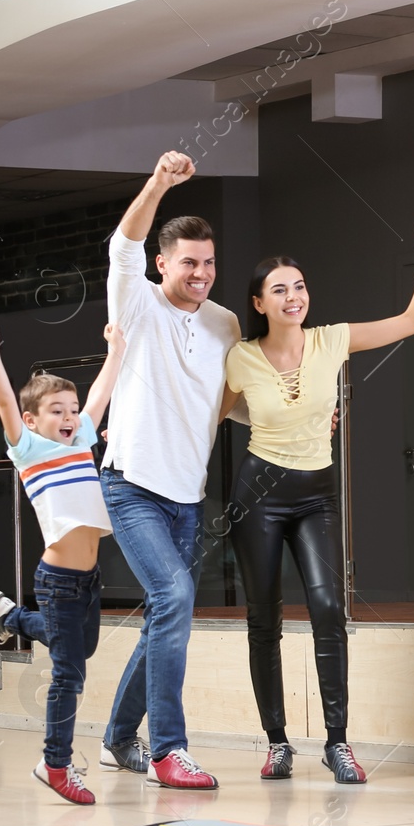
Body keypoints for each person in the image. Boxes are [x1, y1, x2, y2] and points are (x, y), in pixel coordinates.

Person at [221, 221, 414, 784]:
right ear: (259, 303)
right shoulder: (241, 358)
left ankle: (337, 742)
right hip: (259, 492)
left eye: (298, 286)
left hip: (316, 492)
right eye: (279, 289)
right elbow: (219, 414)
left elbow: (413, 321)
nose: (293, 296)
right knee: (263, 618)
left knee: (327, 609)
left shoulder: (331, 339)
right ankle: (276, 743)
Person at [99, 151, 242, 790]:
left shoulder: (224, 324)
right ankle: (169, 750)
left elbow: (230, 401)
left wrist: (287, 421)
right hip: (130, 485)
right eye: (189, 262)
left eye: (209, 262)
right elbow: (123, 244)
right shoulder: (137, 305)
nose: (201, 273)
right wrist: (157, 183)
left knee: (167, 614)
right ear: (164, 265)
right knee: (175, 598)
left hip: (189, 494)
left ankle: (115, 739)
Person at [0, 318, 125, 805]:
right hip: (57, 579)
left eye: (73, 409)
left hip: (89, 579)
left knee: (85, 649)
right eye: (56, 409)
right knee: (69, 673)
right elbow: (2, 402)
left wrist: (116, 350)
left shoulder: (81, 439)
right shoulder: (30, 449)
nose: (69, 416)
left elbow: (102, 391)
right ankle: (55, 764)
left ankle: (10, 616)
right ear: (32, 420)